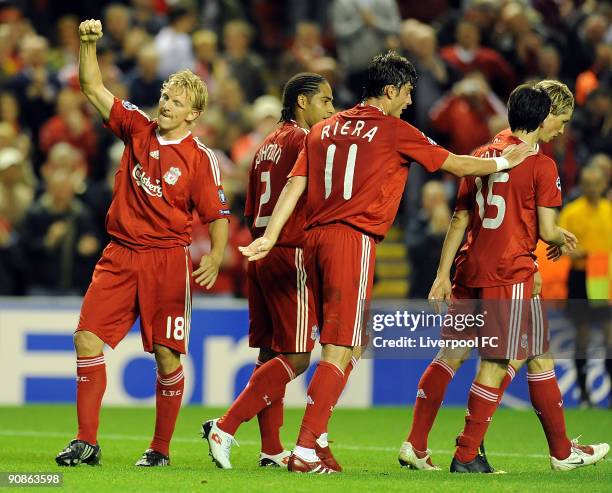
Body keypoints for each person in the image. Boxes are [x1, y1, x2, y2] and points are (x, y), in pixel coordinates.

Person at [240, 51, 535, 473]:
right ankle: (305, 448)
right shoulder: (394, 130)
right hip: (352, 238)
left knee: (348, 342)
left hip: (313, 239)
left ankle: (315, 442)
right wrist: (508, 160)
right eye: (408, 92)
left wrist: (270, 235)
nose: (410, 101)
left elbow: (296, 182)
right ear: (391, 90)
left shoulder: (324, 127)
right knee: (339, 346)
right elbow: (456, 164)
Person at [401, 80, 609, 473]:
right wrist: (558, 239)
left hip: (469, 269)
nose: (563, 129)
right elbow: (546, 231)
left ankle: (417, 442)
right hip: (507, 272)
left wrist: (442, 273)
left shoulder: (482, 154)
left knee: (490, 353)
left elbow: (461, 217)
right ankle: (466, 454)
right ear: (544, 116)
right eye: (560, 121)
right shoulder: (541, 164)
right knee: (497, 362)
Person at [55, 19, 230, 467]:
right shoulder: (137, 127)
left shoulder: (200, 160)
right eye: (167, 95)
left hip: (166, 261)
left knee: (168, 356)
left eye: (178, 100)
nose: (167, 104)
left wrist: (215, 254)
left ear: (194, 113)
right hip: (119, 254)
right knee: (86, 338)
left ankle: (160, 449)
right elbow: (92, 86)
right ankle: (86, 440)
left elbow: (217, 216)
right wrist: (87, 43)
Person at [202, 73, 337, 470]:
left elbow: (248, 207)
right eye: (325, 101)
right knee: (296, 357)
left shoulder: (264, 146)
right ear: (301, 102)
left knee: (269, 355)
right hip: (289, 250)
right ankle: (224, 427)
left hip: (259, 254)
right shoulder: (303, 141)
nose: (330, 110)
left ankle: (272, 450)